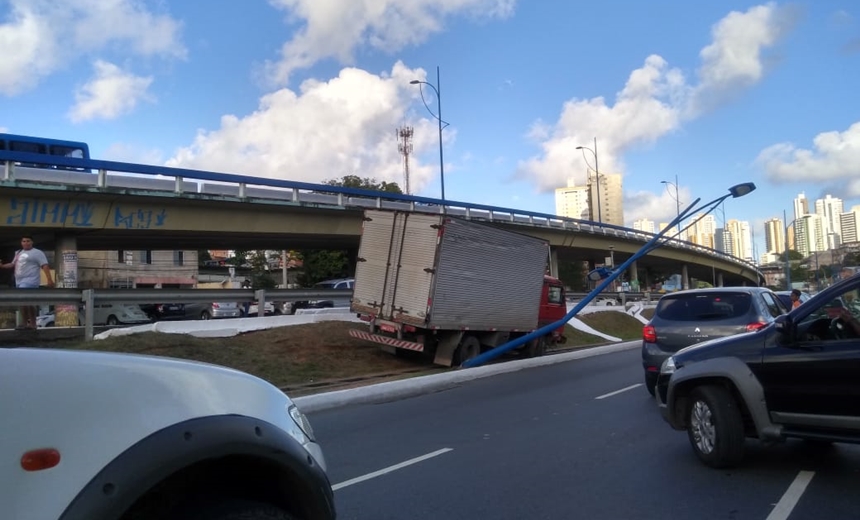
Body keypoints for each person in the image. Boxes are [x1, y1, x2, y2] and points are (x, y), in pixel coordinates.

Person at [1, 235, 55, 329]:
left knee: (27, 301)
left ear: (32, 242)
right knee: (23, 302)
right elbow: (12, 264)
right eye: (24, 241)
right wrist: (2, 266)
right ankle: (25, 323)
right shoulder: (18, 252)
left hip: (31, 280)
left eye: (28, 241)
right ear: (21, 243)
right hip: (19, 281)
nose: (26, 243)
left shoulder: (37, 253)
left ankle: (32, 323)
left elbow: (44, 266)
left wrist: (49, 280)